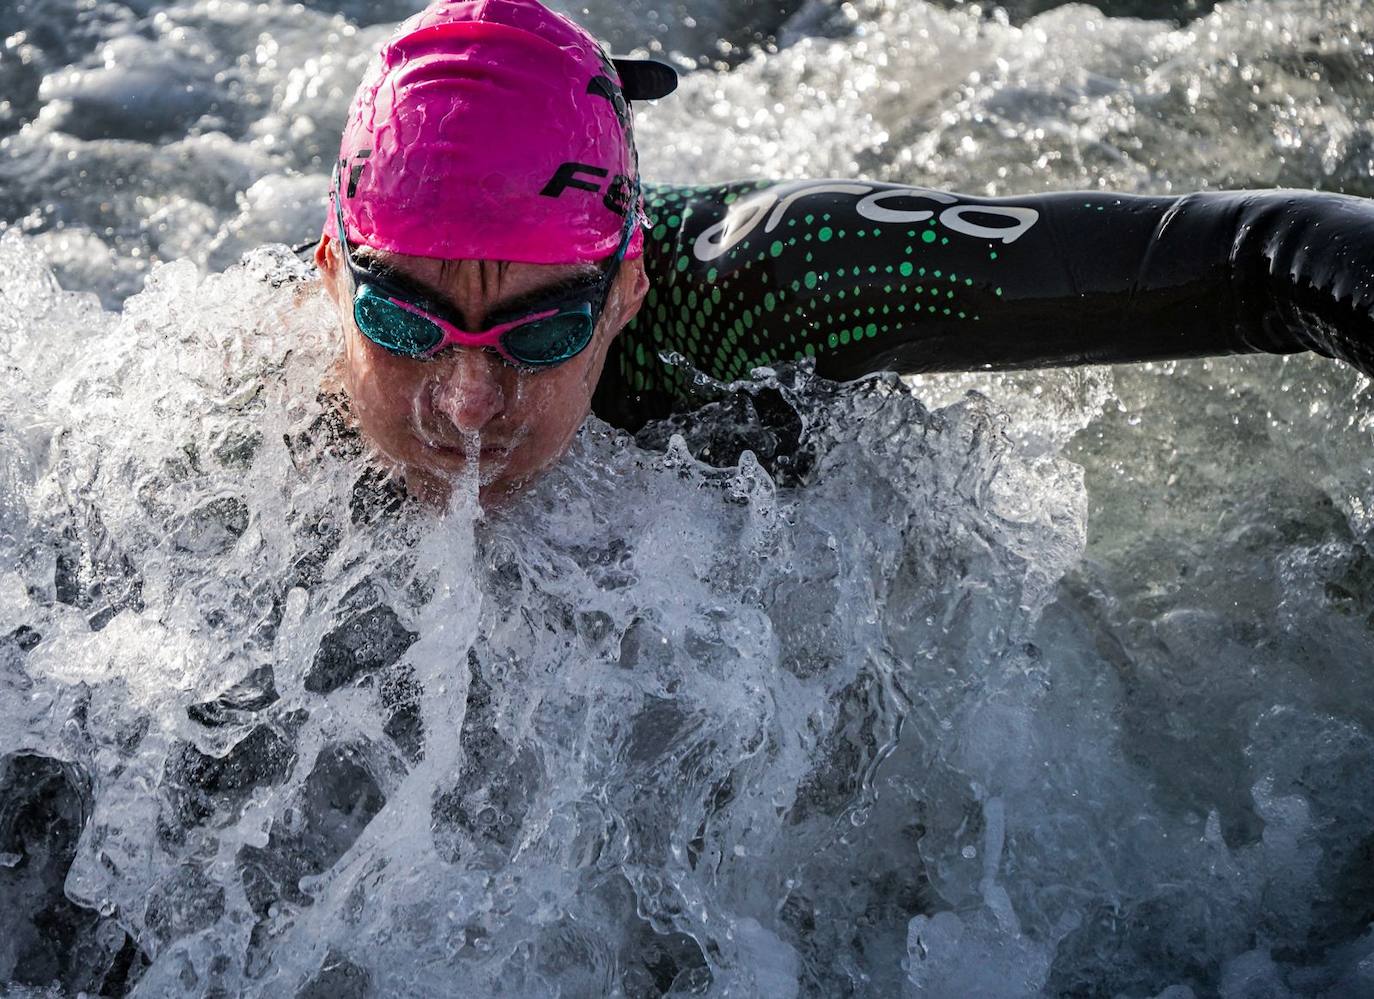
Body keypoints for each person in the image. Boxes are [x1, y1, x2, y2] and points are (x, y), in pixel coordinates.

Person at [314, 0, 1374, 506]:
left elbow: (1272, 253)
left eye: (539, 332)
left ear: (627, 290)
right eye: (404, 322)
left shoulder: (759, 290)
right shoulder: (231, 418)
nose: (463, 401)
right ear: (332, 274)